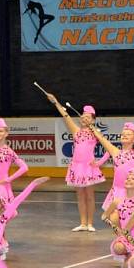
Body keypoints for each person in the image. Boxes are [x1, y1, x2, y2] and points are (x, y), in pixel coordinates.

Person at [45, 92, 104, 231]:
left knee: (89, 195)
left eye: (88, 117)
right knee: (80, 195)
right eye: (83, 116)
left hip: (89, 167)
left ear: (93, 120)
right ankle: (83, 223)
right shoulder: (76, 131)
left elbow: (108, 148)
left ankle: (90, 223)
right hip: (77, 167)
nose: (84, 118)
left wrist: (99, 162)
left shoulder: (96, 132)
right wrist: (55, 102)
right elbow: (65, 115)